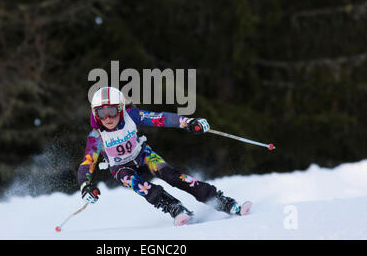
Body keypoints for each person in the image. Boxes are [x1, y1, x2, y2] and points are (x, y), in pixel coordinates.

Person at [77, 86, 247, 225]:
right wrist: (85, 185)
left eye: (112, 111)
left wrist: (187, 122)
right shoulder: (96, 136)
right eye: (101, 113)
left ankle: (219, 200)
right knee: (140, 186)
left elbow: (161, 118)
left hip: (143, 154)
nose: (107, 118)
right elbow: (87, 163)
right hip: (120, 167)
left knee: (171, 175)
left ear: (121, 109)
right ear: (95, 114)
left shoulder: (132, 116)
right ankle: (174, 207)